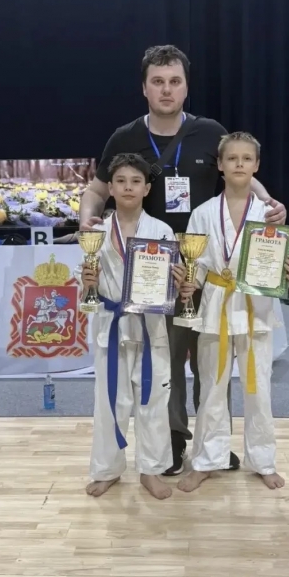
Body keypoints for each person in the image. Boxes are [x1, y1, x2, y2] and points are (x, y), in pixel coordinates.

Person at [80, 45, 287, 475]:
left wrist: (269, 203)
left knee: (213, 356)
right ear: (144, 87)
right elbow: (97, 190)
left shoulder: (210, 132)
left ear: (186, 86)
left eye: (174, 81)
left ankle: (213, 444)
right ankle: (173, 440)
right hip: (151, 271)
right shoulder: (124, 137)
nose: (166, 89)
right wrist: (87, 221)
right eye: (157, 81)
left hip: (208, 267)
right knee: (167, 360)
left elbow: (240, 172)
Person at [176, 132, 289, 493]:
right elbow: (196, 264)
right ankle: (206, 460)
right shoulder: (203, 213)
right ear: (220, 164)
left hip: (255, 308)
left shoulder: (269, 214)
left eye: (247, 159)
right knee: (211, 389)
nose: (239, 164)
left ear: (257, 165)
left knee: (258, 389)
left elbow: (288, 259)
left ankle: (263, 461)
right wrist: (189, 281)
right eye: (232, 158)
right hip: (215, 307)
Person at [81, 153, 187, 500]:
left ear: (147, 189)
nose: (128, 187)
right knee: (109, 402)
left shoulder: (162, 231)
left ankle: (151, 470)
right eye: (121, 181)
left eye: (136, 181)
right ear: (110, 188)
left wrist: (179, 282)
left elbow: (171, 289)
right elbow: (86, 293)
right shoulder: (95, 233)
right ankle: (107, 470)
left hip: (150, 327)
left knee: (154, 401)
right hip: (111, 327)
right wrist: (87, 283)